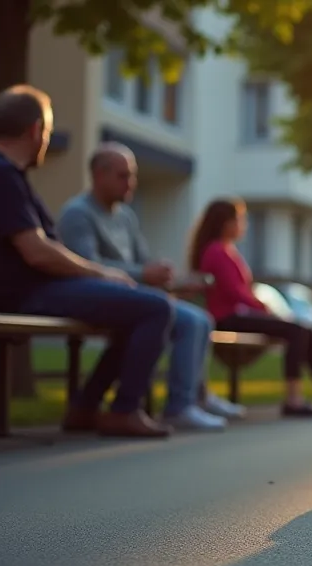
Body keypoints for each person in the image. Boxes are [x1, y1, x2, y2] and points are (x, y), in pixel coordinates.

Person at [0, 85, 174, 438]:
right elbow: (36, 251)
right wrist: (102, 273)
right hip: (29, 293)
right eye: (48, 131)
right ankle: (124, 410)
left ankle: (85, 408)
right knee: (155, 308)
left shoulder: (2, 174)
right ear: (35, 130)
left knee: (139, 310)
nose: (47, 139)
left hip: (33, 289)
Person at [58, 143, 245, 430]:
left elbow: (143, 264)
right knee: (176, 318)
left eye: (132, 176)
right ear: (99, 175)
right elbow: (87, 265)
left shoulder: (125, 216)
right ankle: (176, 405)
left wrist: (173, 280)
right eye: (123, 176)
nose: (130, 183)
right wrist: (146, 273)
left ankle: (194, 396)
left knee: (199, 318)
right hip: (95, 298)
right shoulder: (77, 213)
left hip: (133, 296)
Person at [187, 197, 312, 417]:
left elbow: (240, 290)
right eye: (240, 219)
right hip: (228, 318)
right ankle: (294, 399)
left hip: (238, 315)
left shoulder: (225, 250)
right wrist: (263, 307)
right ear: (226, 222)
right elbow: (235, 292)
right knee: (295, 331)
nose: (244, 224)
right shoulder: (217, 251)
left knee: (304, 330)